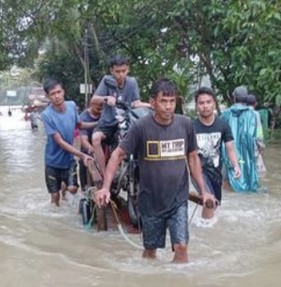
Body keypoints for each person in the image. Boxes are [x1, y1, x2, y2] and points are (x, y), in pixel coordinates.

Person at [95, 78, 215, 263]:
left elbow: (192, 158)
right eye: (163, 101)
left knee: (182, 247)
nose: (168, 106)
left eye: (172, 101)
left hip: (178, 200)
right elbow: (117, 155)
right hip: (150, 201)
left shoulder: (185, 124)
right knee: (150, 251)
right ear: (152, 103)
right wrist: (105, 187)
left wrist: (204, 191)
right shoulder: (141, 127)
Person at [90, 55, 151, 174]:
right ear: (112, 71)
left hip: (125, 122)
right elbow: (94, 100)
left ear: (128, 69)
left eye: (123, 71)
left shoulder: (132, 82)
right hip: (107, 122)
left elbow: (136, 103)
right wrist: (106, 98)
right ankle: (104, 172)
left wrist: (152, 105)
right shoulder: (107, 81)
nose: (121, 74)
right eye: (117, 71)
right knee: (95, 138)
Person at [41, 78, 94, 206]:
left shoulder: (71, 106)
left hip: (68, 159)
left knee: (73, 189)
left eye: (59, 92)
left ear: (63, 92)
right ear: (48, 96)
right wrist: (82, 155)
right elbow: (60, 142)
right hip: (52, 162)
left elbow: (79, 125)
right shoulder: (46, 115)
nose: (57, 96)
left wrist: (98, 123)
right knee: (55, 196)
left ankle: (65, 185)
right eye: (53, 94)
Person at [192, 87, 241, 219]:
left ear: (214, 103)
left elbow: (230, 148)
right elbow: (188, 155)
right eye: (201, 103)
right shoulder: (191, 127)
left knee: (216, 204)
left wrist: (236, 166)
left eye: (208, 102)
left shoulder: (223, 125)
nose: (205, 106)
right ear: (196, 106)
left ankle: (205, 225)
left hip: (216, 171)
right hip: (199, 171)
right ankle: (206, 231)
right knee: (209, 201)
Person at [220, 86, 261, 192]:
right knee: (249, 182)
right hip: (248, 155)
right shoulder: (254, 114)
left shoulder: (225, 114)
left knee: (226, 183)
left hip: (228, 155)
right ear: (246, 98)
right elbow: (259, 137)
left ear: (234, 97)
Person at [77, 98, 103, 190]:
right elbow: (84, 141)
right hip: (87, 154)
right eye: (98, 107)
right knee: (85, 189)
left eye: (102, 107)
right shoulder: (83, 117)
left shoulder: (104, 115)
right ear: (91, 104)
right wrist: (95, 153)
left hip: (102, 153)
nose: (101, 109)